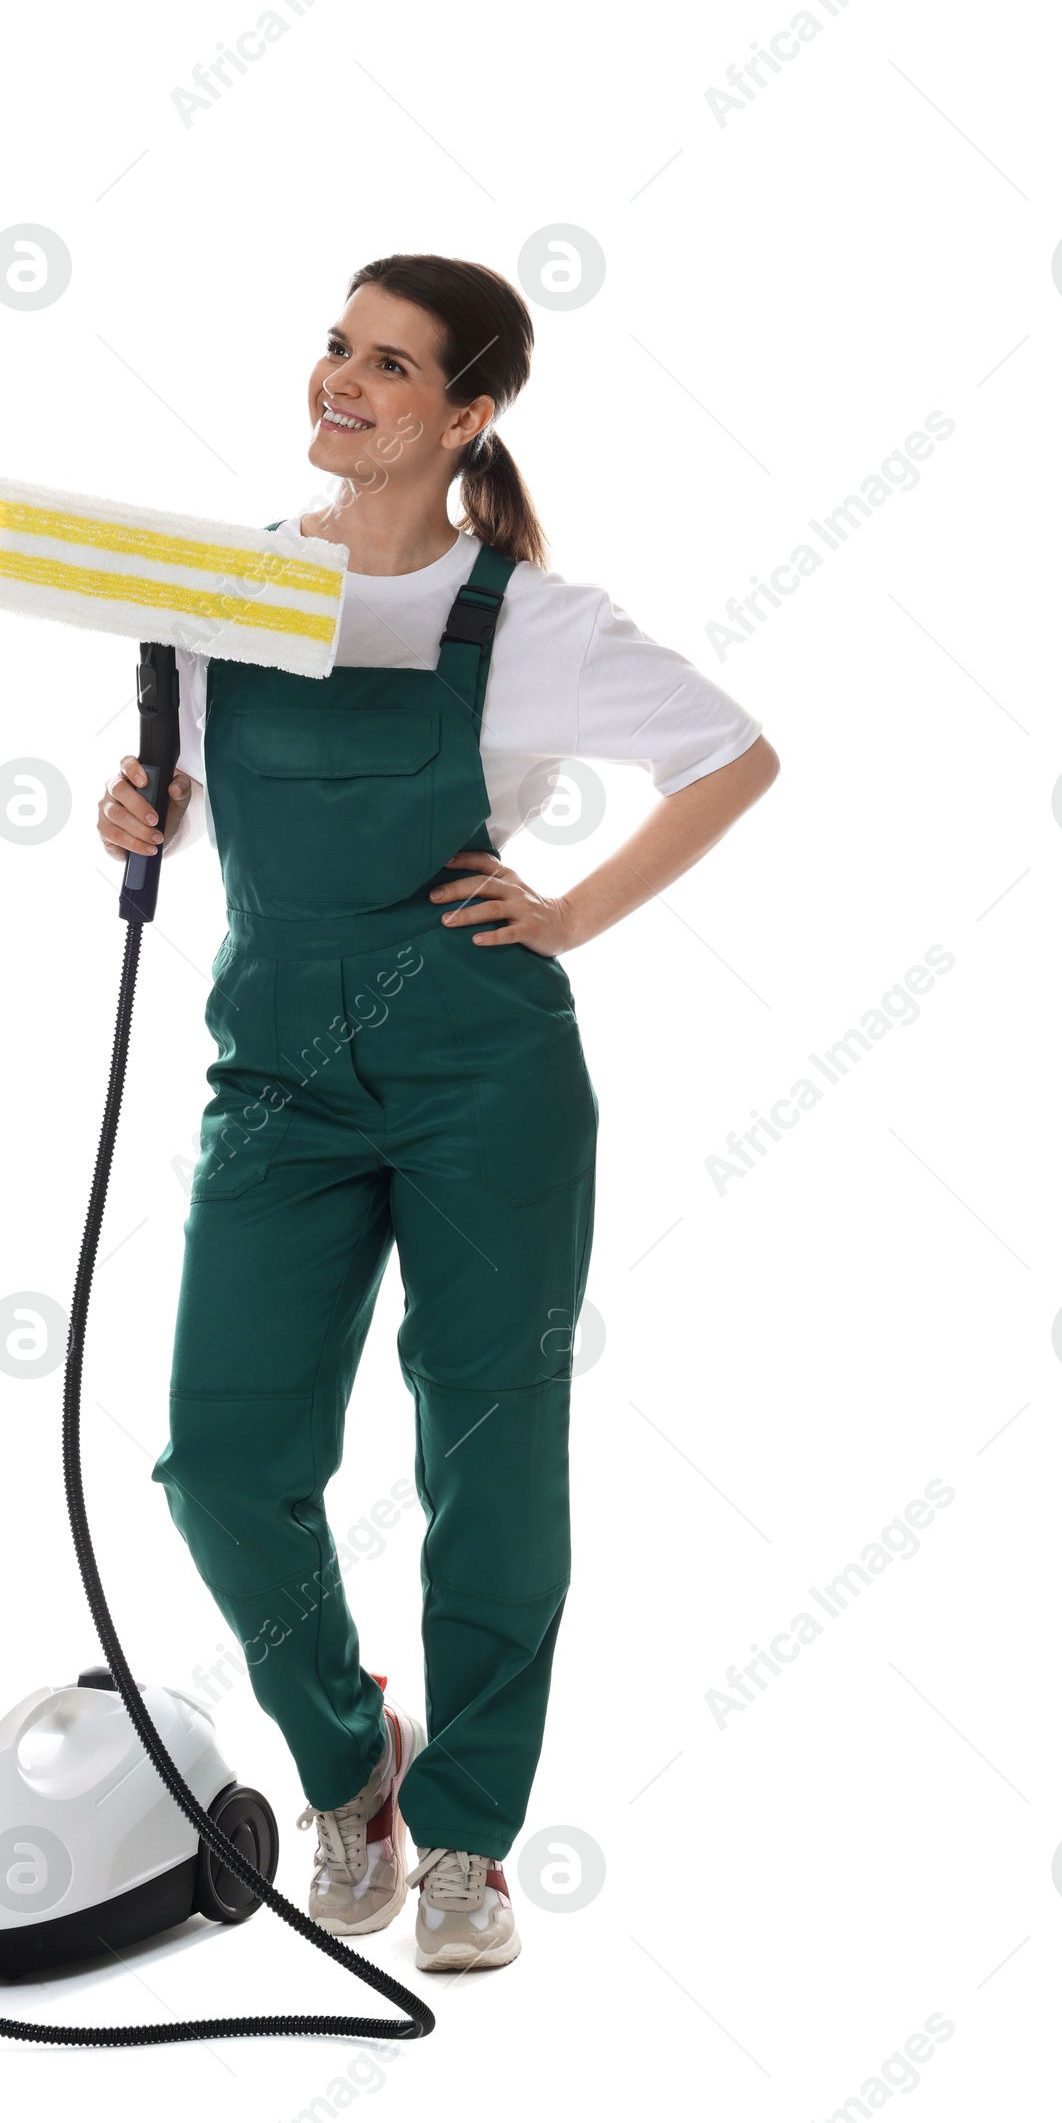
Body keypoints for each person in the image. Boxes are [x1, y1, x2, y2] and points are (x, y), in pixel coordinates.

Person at [96, 254, 778, 1972]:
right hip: (276, 1070)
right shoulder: (220, 586)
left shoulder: (533, 621)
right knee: (223, 1458)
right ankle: (354, 1770)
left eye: (390, 365)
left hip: (486, 1075)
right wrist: (133, 815)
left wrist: (570, 912)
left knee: (489, 1459)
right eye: (335, 345)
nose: (343, 379)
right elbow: (173, 803)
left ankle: (467, 1840)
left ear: (467, 416)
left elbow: (733, 756)